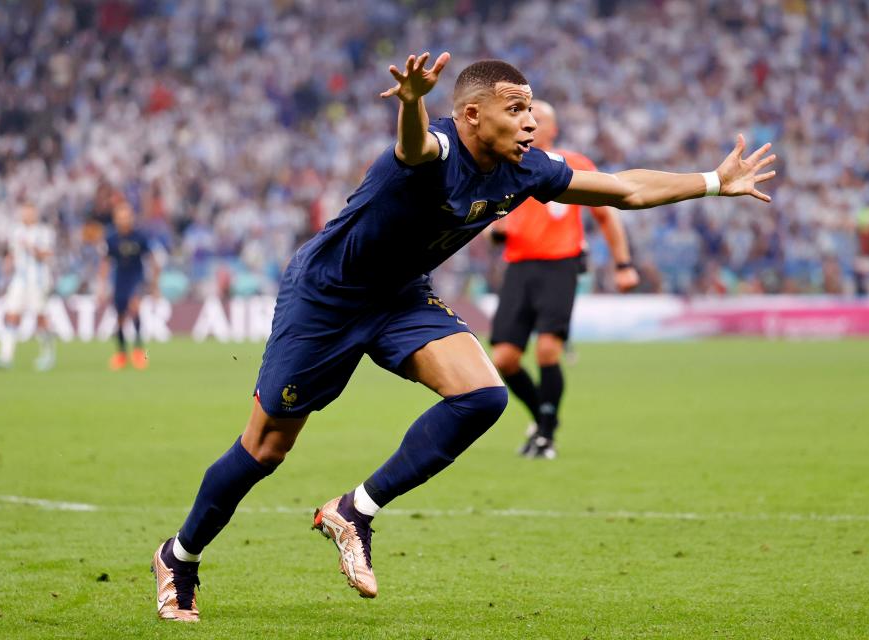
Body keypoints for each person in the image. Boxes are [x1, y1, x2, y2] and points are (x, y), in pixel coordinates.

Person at [151, 52, 776, 621]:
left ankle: (353, 511)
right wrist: (414, 101)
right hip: (326, 300)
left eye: (531, 106)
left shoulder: (527, 168)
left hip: (399, 298)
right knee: (265, 450)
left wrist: (714, 182)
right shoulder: (438, 150)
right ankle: (179, 558)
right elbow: (416, 147)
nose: (530, 121)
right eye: (516, 108)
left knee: (483, 395)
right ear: (473, 116)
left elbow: (627, 188)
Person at [488, 100, 640, 459]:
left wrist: (623, 263)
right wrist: (495, 230)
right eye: (522, 117)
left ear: (554, 130)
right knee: (505, 359)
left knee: (547, 350)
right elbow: (493, 224)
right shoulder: (504, 165)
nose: (529, 124)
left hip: (560, 265)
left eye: (537, 119)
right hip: (519, 267)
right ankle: (544, 418)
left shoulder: (575, 164)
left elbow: (607, 215)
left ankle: (545, 434)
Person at [0, 203, 57, 371]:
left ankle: (47, 354)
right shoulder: (16, 231)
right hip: (19, 280)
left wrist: (32, 248)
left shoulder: (44, 232)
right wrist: (8, 263)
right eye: (24, 213)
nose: (27, 216)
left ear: (35, 214)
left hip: (38, 281)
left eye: (30, 213)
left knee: (40, 318)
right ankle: (5, 356)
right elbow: (13, 253)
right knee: (11, 314)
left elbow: (47, 254)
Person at [98, 201, 158, 370]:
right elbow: (105, 263)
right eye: (120, 217)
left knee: (135, 307)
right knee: (120, 318)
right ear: (116, 219)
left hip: (136, 277)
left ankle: (139, 351)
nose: (124, 220)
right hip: (120, 279)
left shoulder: (140, 237)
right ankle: (122, 354)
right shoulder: (111, 238)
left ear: (131, 218)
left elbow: (152, 259)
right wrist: (101, 286)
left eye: (126, 217)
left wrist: (154, 285)